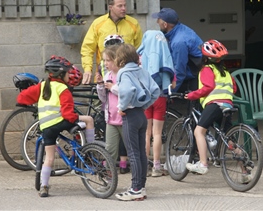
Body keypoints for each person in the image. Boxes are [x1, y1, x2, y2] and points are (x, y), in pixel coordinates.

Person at [16, 55, 95, 197]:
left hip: (46, 126)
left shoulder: (42, 86)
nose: (69, 75)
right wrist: (77, 121)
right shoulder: (63, 89)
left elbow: (22, 97)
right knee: (88, 120)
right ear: (61, 74)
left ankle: (44, 187)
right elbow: (67, 114)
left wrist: (23, 103)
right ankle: (90, 150)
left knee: (49, 158)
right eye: (67, 73)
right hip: (61, 121)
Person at [183, 40, 250, 180]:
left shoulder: (207, 69)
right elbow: (234, 88)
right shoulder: (226, 72)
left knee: (199, 131)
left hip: (214, 105)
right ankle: (245, 172)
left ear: (205, 58)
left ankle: (203, 164)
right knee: (229, 140)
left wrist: (192, 95)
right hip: (227, 106)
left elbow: (208, 87)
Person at [114, 44, 160, 201]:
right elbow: (155, 91)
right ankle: (141, 186)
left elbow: (126, 91)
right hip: (142, 114)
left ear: (121, 58)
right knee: (140, 152)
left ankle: (135, 189)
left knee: (132, 152)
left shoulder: (124, 72)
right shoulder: (142, 71)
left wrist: (122, 106)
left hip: (130, 115)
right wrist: (145, 105)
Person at [81, 0, 143, 84]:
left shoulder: (133, 23)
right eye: (120, 6)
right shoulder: (97, 24)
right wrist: (87, 69)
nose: (124, 9)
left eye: (125, 5)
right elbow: (87, 49)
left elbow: (140, 50)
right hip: (104, 76)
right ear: (110, 7)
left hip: (129, 76)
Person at [137, 30, 175, 177]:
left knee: (146, 133)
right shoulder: (164, 54)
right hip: (160, 97)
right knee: (157, 133)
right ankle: (157, 167)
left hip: (146, 98)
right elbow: (171, 77)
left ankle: (145, 165)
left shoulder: (140, 56)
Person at [96, 44, 130, 174]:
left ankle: (138, 179)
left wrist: (112, 87)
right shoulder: (107, 76)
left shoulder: (124, 75)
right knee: (110, 149)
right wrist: (100, 85)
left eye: (108, 60)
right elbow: (103, 98)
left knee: (130, 148)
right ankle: (108, 177)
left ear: (117, 60)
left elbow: (127, 93)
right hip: (111, 119)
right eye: (104, 60)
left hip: (124, 118)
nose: (105, 63)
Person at [152, 7, 203, 92]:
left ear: (165, 24)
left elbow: (180, 71)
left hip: (195, 77)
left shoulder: (178, 42)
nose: (157, 22)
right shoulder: (180, 29)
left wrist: (169, 93)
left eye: (159, 20)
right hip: (194, 72)